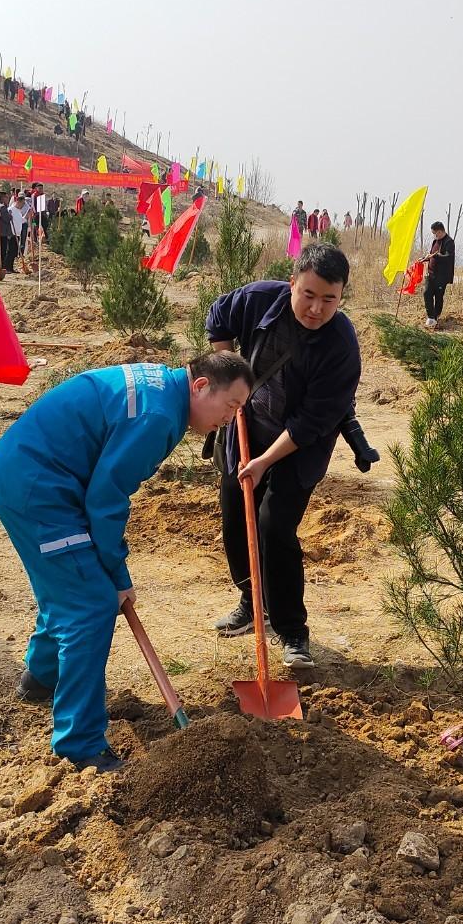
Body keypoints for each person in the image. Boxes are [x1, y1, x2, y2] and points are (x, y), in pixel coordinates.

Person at [0, 354, 253, 770]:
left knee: (69, 586)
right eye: (230, 406)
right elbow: (105, 500)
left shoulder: (162, 389)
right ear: (200, 387)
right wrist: (116, 575)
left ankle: (41, 677)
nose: (231, 420)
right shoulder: (157, 416)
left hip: (31, 475)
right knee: (91, 604)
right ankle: (79, 743)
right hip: (39, 489)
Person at [206, 243, 363, 668]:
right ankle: (250, 601)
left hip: (297, 447)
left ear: (341, 296)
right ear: (292, 283)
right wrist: (228, 375)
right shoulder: (258, 299)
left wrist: (263, 464)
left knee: (274, 527)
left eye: (329, 299)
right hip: (247, 427)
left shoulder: (342, 346)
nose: (316, 308)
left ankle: (292, 630)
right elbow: (219, 315)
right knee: (237, 521)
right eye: (308, 294)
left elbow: (312, 421)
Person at [423, 220, 456, 330]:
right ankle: (431, 317)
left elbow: (448, 257)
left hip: (441, 276)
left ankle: (435, 318)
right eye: (433, 234)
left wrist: (436, 256)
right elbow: (432, 254)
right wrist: (425, 258)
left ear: (441, 231)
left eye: (435, 233)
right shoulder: (434, 242)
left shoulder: (449, 242)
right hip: (431, 273)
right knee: (427, 293)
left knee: (438, 297)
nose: (434, 235)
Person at [0, 195, 17, 276]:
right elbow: (7, 218)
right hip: (1, 233)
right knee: (2, 251)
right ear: (3, 199)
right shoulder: (2, 207)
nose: (8, 200)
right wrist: (10, 215)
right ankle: (1, 266)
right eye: (7, 198)